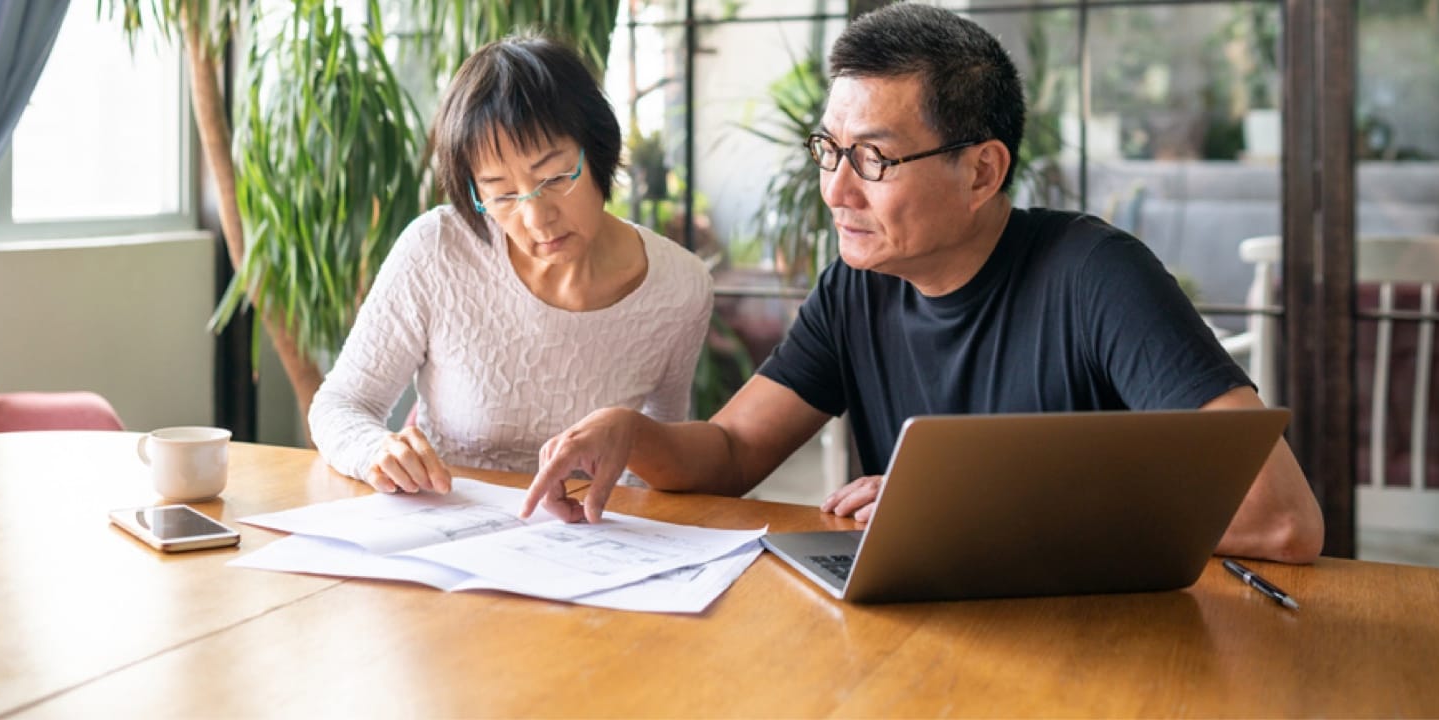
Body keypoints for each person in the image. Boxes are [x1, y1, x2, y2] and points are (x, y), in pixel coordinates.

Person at [522, 3, 1324, 564]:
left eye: (874, 159)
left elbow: (1283, 522)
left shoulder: (1096, 276)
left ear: (982, 170)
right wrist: (633, 431)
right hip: (933, 639)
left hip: (1098, 642)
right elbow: (732, 451)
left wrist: (985, 517)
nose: (837, 190)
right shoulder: (857, 289)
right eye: (828, 150)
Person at [308, 35, 712, 494]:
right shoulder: (439, 248)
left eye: (555, 177)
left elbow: (659, 463)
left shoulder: (680, 286)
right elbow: (341, 403)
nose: (536, 217)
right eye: (501, 194)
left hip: (591, 541)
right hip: (448, 530)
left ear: (598, 149)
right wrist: (376, 450)